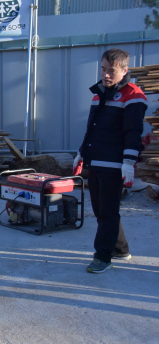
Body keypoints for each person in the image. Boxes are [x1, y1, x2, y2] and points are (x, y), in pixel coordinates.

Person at [73, 48, 147, 274]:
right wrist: (81, 153)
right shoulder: (98, 94)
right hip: (96, 160)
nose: (105, 75)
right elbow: (92, 129)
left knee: (107, 212)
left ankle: (102, 256)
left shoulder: (133, 95)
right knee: (102, 210)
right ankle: (121, 249)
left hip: (114, 164)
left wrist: (128, 161)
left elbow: (133, 132)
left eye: (111, 71)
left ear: (124, 71)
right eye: (103, 69)